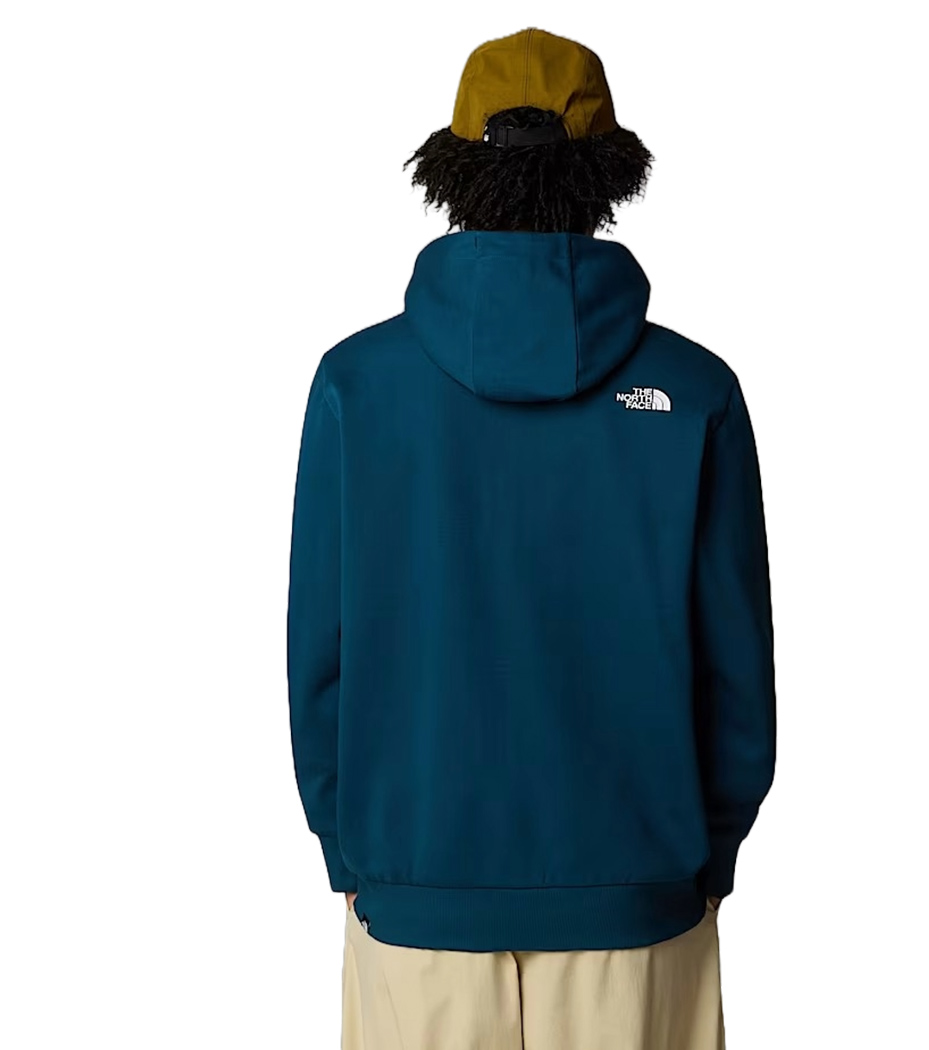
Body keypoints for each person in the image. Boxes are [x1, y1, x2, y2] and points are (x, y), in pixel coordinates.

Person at [286, 26, 776, 1050]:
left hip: (418, 907)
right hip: (639, 909)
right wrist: (703, 861)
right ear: (608, 173)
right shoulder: (694, 393)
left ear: (454, 171)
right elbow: (738, 670)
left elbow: (319, 662)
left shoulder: (355, 387)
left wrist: (354, 855)